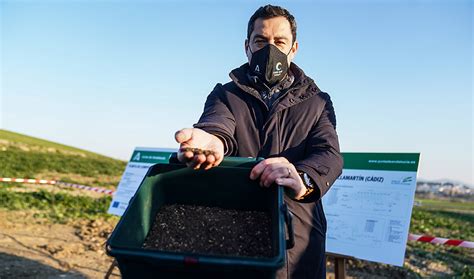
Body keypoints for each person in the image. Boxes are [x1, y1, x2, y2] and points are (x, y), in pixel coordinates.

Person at [174, 4, 343, 278]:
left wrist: (302, 178)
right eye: (261, 41)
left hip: (296, 233)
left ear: (294, 48)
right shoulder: (225, 95)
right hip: (235, 228)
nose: (270, 49)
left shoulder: (318, 101)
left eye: (280, 41)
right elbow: (218, 127)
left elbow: (329, 154)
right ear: (247, 46)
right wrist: (211, 141)